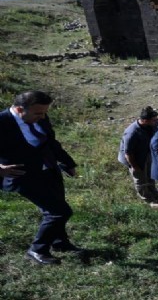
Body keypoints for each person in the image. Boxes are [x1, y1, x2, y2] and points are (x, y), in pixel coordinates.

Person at [0, 91, 83, 265]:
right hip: (22, 176)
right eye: (38, 113)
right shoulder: (2, 122)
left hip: (49, 169)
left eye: (44, 112)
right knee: (59, 211)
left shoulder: (41, 116)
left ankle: (60, 243)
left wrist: (67, 163)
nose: (43, 116)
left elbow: (51, 142)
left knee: (56, 206)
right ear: (19, 109)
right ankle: (37, 250)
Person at [118, 106, 158, 206]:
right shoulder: (132, 132)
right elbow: (128, 153)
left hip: (146, 153)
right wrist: (135, 167)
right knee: (140, 179)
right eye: (154, 120)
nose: (156, 122)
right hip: (134, 158)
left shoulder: (151, 124)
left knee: (150, 176)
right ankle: (149, 200)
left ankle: (156, 196)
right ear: (144, 120)